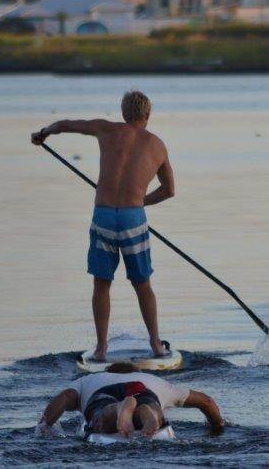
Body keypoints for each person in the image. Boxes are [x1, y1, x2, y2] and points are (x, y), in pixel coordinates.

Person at [31, 90, 175, 359]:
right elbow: (169, 190)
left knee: (101, 283)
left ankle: (101, 348)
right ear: (148, 115)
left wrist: (43, 133)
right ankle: (155, 344)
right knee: (142, 284)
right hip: (133, 218)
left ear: (123, 113)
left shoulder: (105, 129)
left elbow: (64, 125)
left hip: (104, 216)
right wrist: (139, 202)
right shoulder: (158, 145)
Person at [37, 367, 225, 439]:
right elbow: (206, 401)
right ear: (136, 369)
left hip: (101, 393)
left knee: (100, 415)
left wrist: (45, 425)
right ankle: (147, 412)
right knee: (151, 406)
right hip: (142, 389)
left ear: (109, 369)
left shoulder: (89, 379)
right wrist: (218, 425)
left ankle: (117, 409)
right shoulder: (153, 379)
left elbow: (63, 399)